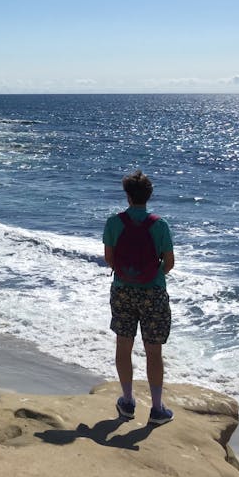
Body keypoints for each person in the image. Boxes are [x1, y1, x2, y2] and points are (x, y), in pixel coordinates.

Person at [103, 170, 175, 425]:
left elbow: (109, 259)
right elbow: (169, 263)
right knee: (153, 351)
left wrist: (130, 274)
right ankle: (156, 409)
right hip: (153, 292)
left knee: (124, 346)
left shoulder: (114, 222)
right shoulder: (160, 225)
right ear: (149, 195)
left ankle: (127, 402)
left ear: (127, 196)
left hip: (122, 290)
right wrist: (152, 274)